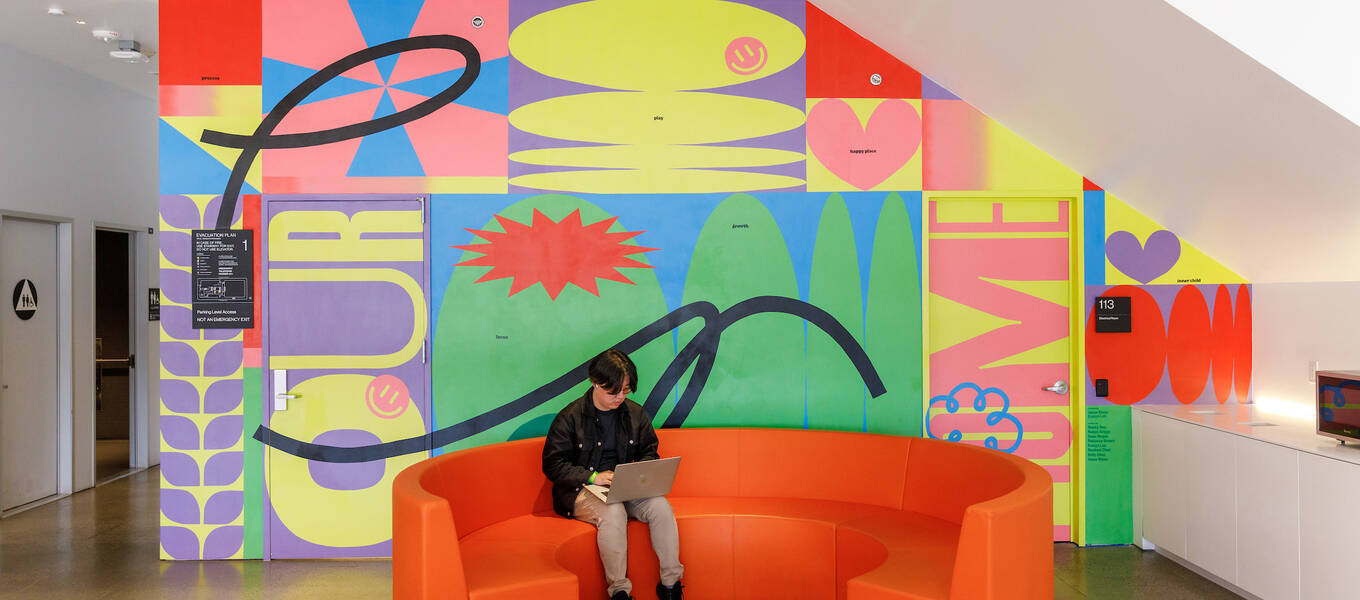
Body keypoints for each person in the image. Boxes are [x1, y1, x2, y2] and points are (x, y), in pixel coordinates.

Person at [542, 349, 684, 600]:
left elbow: (649, 452)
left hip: (624, 487)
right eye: (613, 391)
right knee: (613, 510)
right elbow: (553, 465)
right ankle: (619, 591)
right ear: (595, 383)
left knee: (661, 507)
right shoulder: (570, 417)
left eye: (626, 390)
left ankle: (670, 586)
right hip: (581, 490)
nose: (620, 397)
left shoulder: (635, 414)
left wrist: (639, 473)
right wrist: (593, 477)